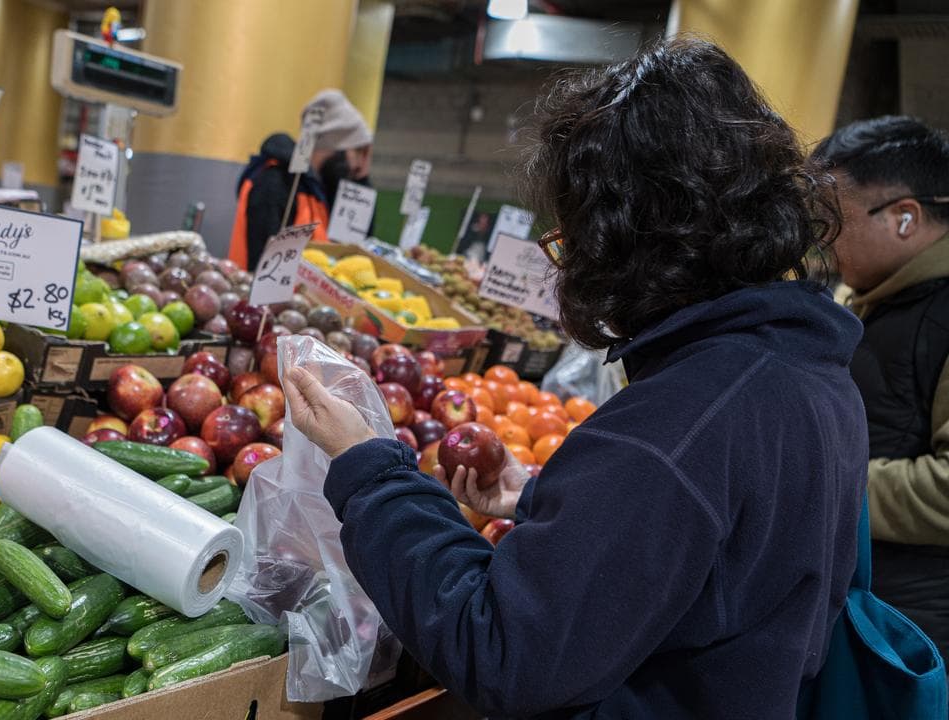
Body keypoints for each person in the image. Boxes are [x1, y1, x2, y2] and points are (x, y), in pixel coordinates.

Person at [283, 38, 866, 718]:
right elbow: (714, 556)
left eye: (570, 237)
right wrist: (551, 502)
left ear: (625, 235)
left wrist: (368, 467)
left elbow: (501, 651)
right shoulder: (809, 373)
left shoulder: (677, 425)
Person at [812, 116, 949, 660]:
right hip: (866, 611)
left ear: (904, 219)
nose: (821, 241)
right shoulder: (873, 299)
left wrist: (824, 479)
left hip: (917, 637)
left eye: (833, 221)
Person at [228, 89, 373, 270]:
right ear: (337, 148)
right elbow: (265, 270)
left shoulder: (322, 189)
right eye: (358, 152)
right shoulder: (275, 183)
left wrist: (362, 179)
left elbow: (356, 249)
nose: (358, 164)